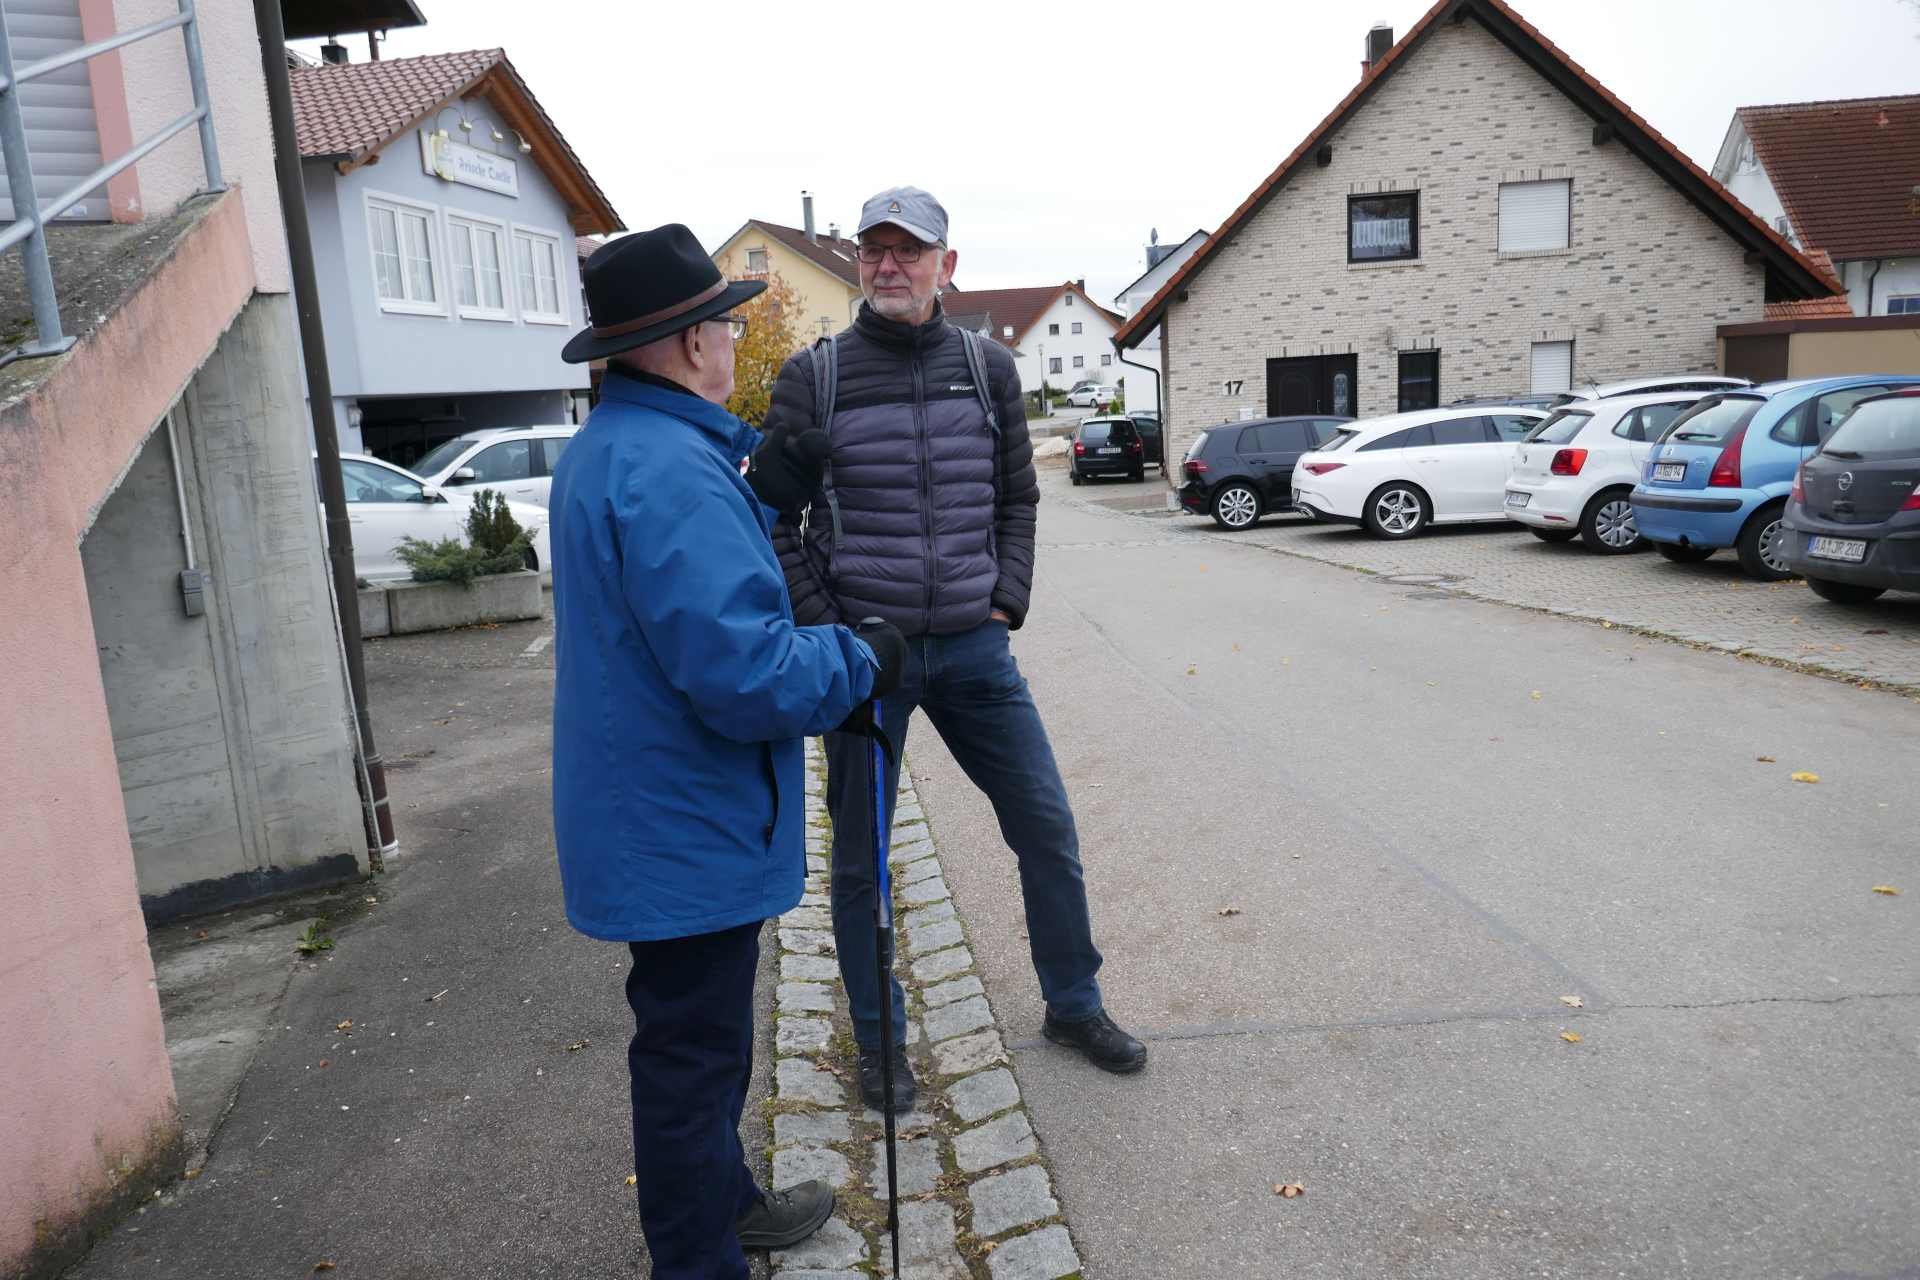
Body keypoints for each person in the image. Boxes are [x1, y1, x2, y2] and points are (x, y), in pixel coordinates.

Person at [550, 224, 907, 1279]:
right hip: (681, 817)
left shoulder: (628, 445)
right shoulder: (670, 472)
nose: (735, 342)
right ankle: (698, 1261)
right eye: (727, 326)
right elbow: (744, 673)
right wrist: (858, 658)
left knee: (703, 1043)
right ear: (688, 342)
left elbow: (678, 586)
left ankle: (727, 1204)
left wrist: (761, 494)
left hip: (657, 805)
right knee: (690, 1058)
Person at [767, 187, 1145, 1115]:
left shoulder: (987, 369)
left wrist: (1006, 600)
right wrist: (835, 629)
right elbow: (776, 522)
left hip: (976, 651)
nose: (889, 265)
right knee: (860, 862)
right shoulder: (814, 375)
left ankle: (1074, 1004)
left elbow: (1018, 498)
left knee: (1045, 827)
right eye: (875, 249)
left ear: (947, 264)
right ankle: (878, 1042)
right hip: (867, 661)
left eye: (910, 250)